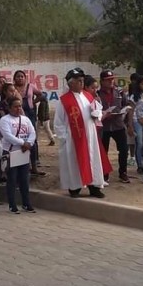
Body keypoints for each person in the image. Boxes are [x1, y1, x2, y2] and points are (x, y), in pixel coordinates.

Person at [54, 68, 108, 198]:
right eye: (78, 81)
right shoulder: (64, 100)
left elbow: (97, 109)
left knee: (92, 159)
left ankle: (94, 187)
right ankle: (75, 187)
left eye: (82, 81)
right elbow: (58, 122)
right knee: (75, 162)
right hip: (74, 138)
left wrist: (97, 115)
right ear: (70, 83)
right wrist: (65, 137)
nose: (81, 83)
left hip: (90, 135)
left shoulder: (88, 95)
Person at [0, 98, 37, 213]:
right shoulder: (5, 120)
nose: (19, 108)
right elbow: (8, 135)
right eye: (16, 106)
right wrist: (22, 143)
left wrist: (29, 143)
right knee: (12, 179)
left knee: (24, 180)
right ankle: (12, 205)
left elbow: (32, 132)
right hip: (11, 153)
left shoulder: (25, 119)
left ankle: (26, 203)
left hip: (24, 153)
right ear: (10, 108)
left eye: (20, 106)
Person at [98, 70, 131, 184]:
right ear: (101, 81)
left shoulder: (119, 92)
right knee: (103, 151)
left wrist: (125, 112)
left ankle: (123, 172)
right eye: (108, 80)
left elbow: (126, 104)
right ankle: (104, 174)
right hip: (104, 126)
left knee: (123, 149)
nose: (111, 81)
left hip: (118, 124)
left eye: (112, 79)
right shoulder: (97, 94)